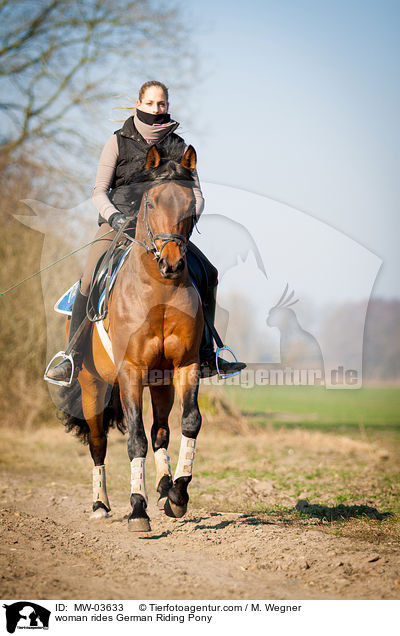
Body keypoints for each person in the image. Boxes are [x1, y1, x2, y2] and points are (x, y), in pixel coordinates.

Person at [45, 81, 245, 384]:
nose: (157, 109)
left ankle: (207, 353)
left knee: (210, 272)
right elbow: (99, 190)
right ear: (139, 104)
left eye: (162, 104)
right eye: (151, 103)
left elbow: (198, 195)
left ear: (168, 106)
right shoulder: (117, 142)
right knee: (90, 276)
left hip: (168, 232)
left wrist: (183, 224)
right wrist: (112, 218)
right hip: (119, 225)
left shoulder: (179, 147)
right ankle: (71, 356)